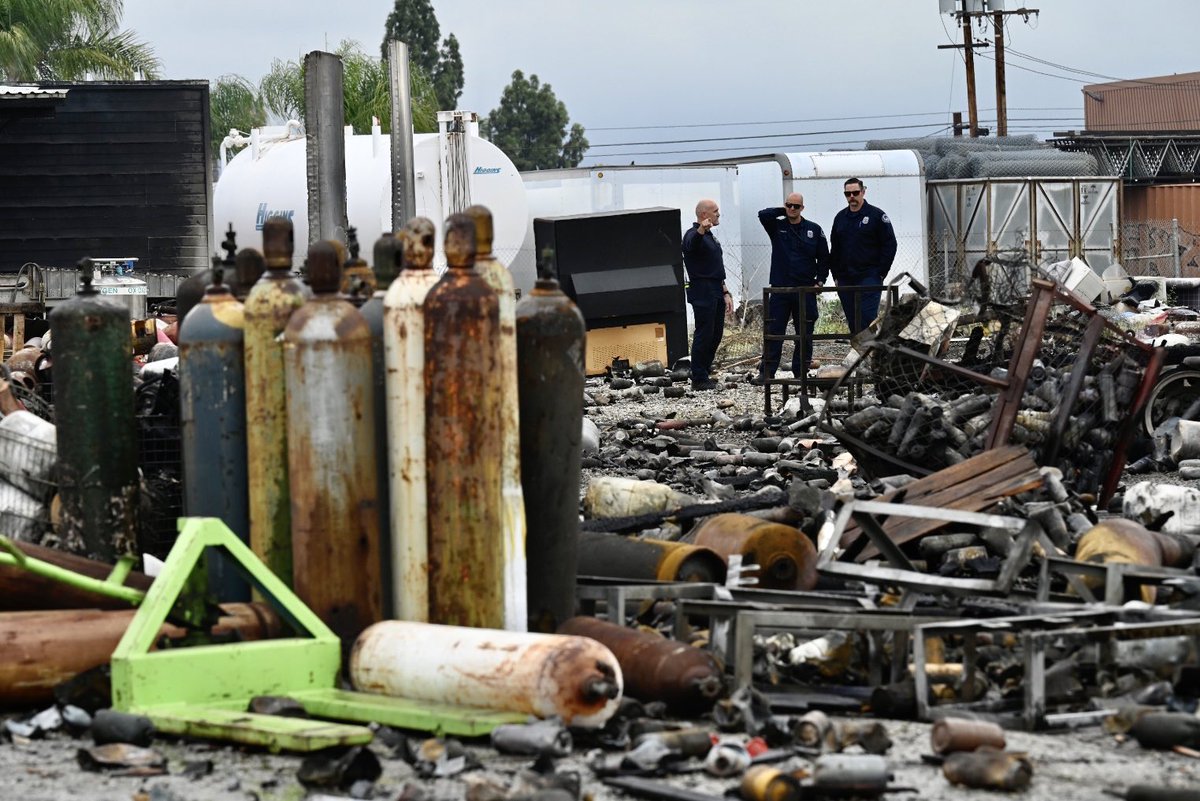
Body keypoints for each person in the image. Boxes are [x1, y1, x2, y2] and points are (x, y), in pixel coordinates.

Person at [753, 192, 828, 384]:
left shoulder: (813, 229)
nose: (792, 209)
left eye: (796, 206)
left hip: (804, 290)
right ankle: (767, 372)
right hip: (780, 289)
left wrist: (820, 281)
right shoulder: (777, 226)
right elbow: (763, 214)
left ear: (803, 207)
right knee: (774, 332)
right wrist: (783, 210)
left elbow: (824, 257)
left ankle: (801, 372)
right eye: (789, 205)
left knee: (804, 333)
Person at [828, 177, 897, 335]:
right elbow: (835, 249)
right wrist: (836, 275)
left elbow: (890, 244)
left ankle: (869, 355)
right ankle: (859, 355)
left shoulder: (876, 216)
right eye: (848, 193)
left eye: (855, 192)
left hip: (869, 276)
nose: (852, 196)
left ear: (863, 192)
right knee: (853, 321)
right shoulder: (840, 218)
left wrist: (880, 272)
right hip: (845, 278)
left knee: (866, 319)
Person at [681, 198, 733, 391]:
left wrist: (725, 291)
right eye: (715, 211)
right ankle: (699, 377)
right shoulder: (693, 234)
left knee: (716, 333)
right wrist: (701, 230)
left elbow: (715, 267)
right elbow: (690, 246)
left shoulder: (711, 237)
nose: (718, 214)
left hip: (716, 287)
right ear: (704, 215)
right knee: (704, 332)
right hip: (702, 289)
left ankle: (705, 368)